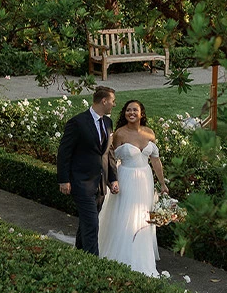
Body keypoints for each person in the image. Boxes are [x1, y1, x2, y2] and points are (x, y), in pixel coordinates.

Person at [97, 99, 168, 276]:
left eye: (135, 110)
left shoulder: (150, 133)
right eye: (128, 110)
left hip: (145, 179)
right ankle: (121, 255)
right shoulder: (119, 134)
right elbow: (109, 159)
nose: (131, 113)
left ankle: (142, 256)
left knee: (143, 217)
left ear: (141, 113)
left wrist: (163, 183)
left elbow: (155, 160)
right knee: (125, 215)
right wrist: (111, 181)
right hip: (126, 178)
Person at [57, 86, 119, 255]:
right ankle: (93, 264)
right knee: (92, 224)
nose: (114, 105)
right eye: (113, 101)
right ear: (104, 101)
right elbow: (64, 152)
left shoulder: (107, 122)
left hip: (100, 183)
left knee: (86, 223)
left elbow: (109, 153)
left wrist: (113, 178)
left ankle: (79, 256)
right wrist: (64, 179)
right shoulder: (77, 122)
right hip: (81, 183)